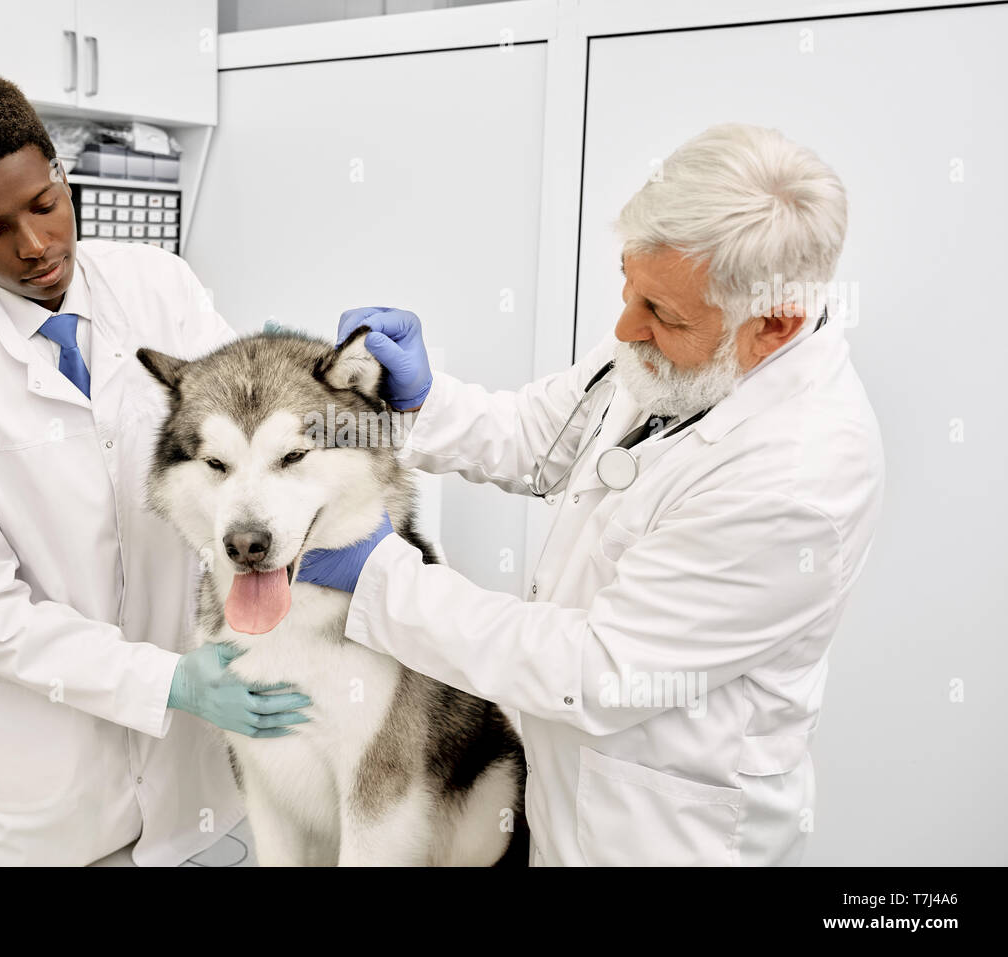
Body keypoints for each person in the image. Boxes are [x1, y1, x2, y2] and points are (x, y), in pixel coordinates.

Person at [304, 123, 885, 866]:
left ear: (772, 325)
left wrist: (382, 580)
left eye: (663, 315)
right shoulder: (682, 348)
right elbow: (546, 436)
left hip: (659, 836)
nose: (622, 326)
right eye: (627, 283)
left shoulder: (798, 481)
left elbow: (600, 668)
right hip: (562, 794)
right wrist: (425, 401)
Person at [0, 74, 309, 866]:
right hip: (40, 771)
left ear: (62, 174)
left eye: (44, 203)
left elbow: (235, 452)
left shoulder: (159, 284)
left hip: (188, 768)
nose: (35, 246)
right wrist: (164, 681)